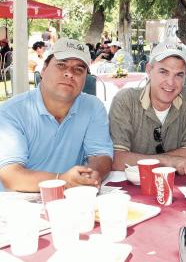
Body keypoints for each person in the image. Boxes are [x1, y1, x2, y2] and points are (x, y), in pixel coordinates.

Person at [0, 38, 113, 192]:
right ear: (44, 69)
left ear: (85, 77)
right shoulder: (11, 112)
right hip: (18, 205)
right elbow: (11, 177)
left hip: (71, 200)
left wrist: (90, 175)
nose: (70, 73)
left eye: (79, 69)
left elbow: (100, 155)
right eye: (61, 65)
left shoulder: (93, 107)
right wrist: (62, 180)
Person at [109, 43, 186, 175]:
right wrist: (168, 161)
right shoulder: (125, 100)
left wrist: (138, 159)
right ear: (149, 70)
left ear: (185, 76)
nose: (171, 82)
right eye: (163, 72)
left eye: (178, 75)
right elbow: (117, 159)